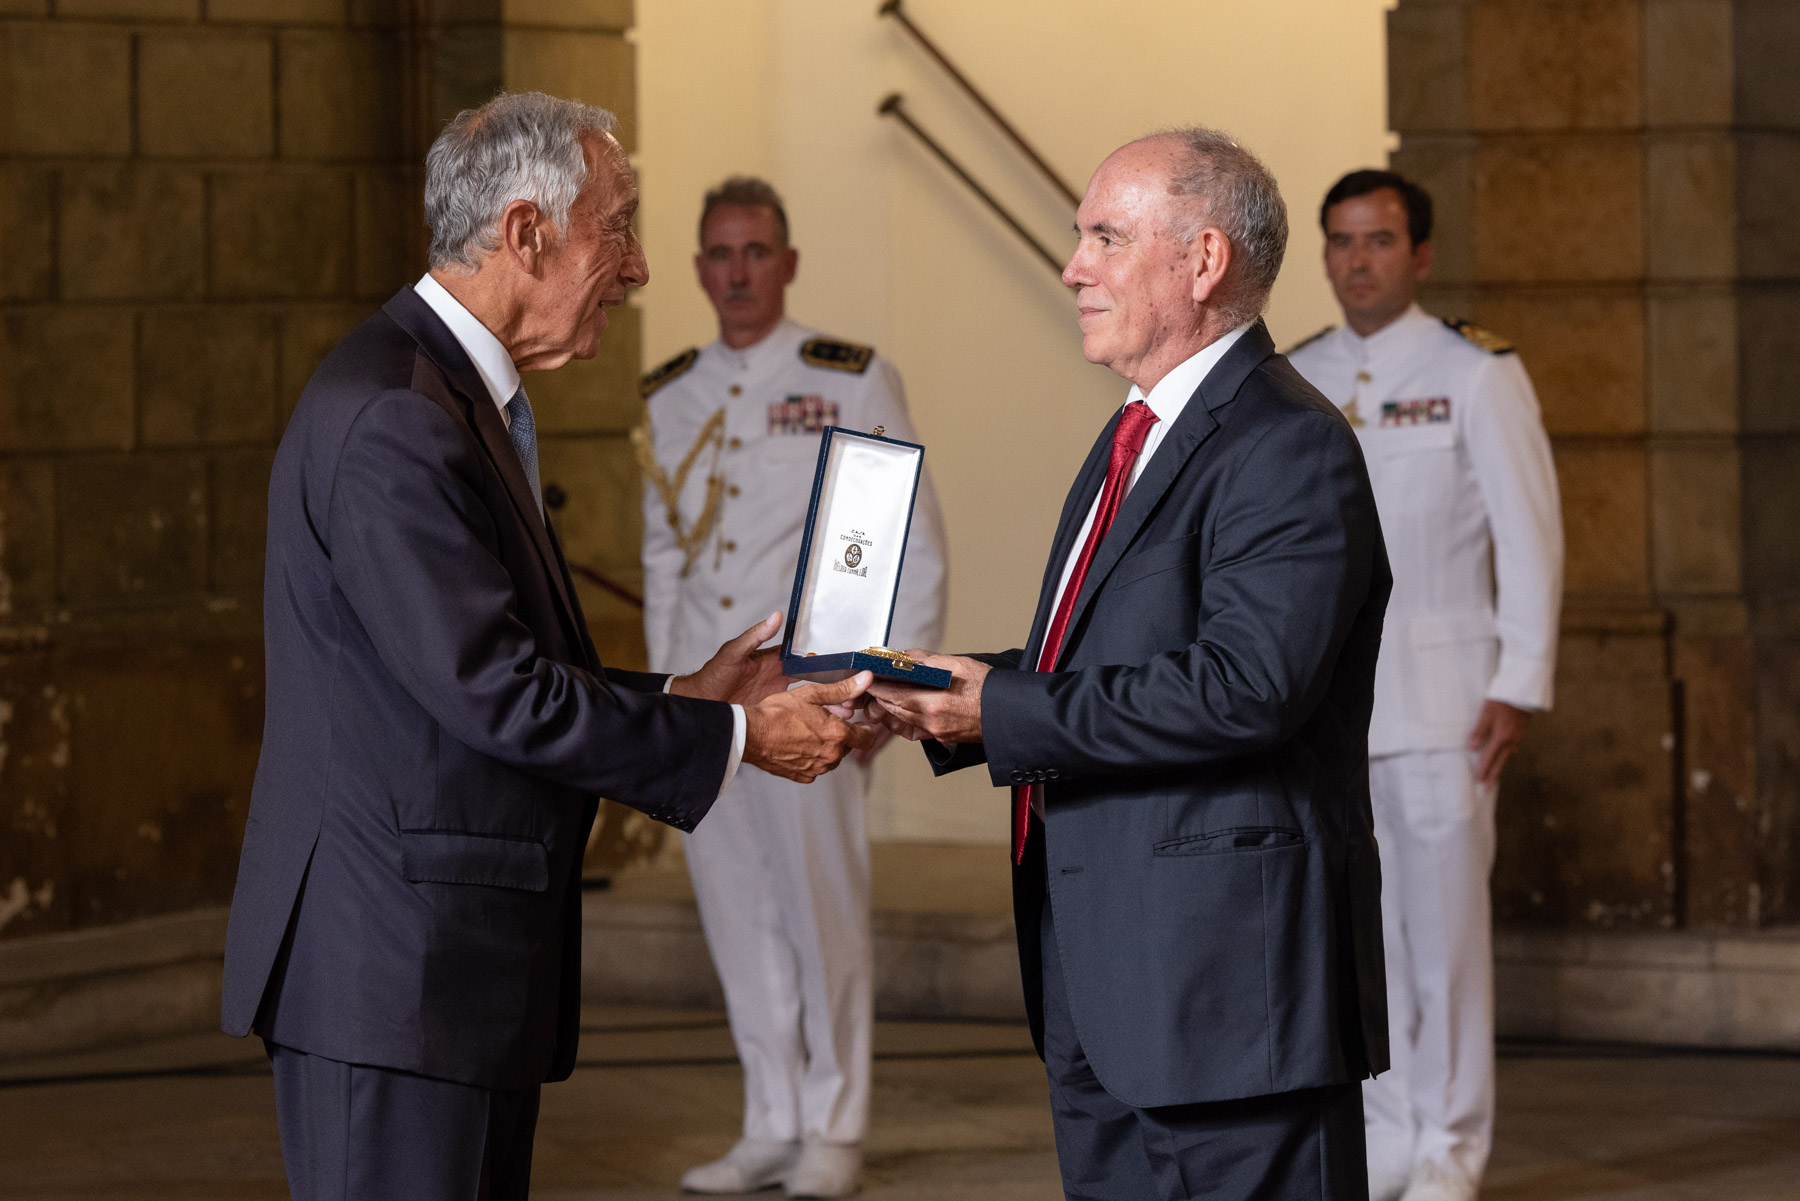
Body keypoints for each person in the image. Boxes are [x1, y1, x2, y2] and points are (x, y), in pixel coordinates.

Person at [219, 93, 875, 1201]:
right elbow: (498, 691)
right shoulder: (398, 415)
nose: (638, 267)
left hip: (438, 969)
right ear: (527, 233)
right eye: (616, 228)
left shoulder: (442, 392)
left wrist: (686, 692)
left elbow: (482, 666)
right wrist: (734, 736)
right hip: (394, 974)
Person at [865, 129, 1391, 1201]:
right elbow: (1110, 657)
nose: (1074, 267)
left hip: (1224, 991)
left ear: (1203, 262)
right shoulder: (1139, 432)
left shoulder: (1286, 442)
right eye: (1081, 238)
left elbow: (1244, 689)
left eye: (1106, 237)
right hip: (1110, 977)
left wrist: (1001, 711)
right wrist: (934, 687)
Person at [638, 176, 948, 1199]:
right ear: (698, 269)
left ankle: (835, 1128)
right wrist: (667, 707)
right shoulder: (670, 392)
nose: (737, 272)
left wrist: (885, 693)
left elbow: (911, 543)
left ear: (788, 262)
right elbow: (663, 560)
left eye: (756, 251)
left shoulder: (848, 376)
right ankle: (769, 1118)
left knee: (823, 917)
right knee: (738, 916)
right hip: (708, 709)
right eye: (720, 254)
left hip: (814, 697)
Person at [1285, 169, 1563, 1201]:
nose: (1357, 260)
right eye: (1341, 241)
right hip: (1329, 710)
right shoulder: (1298, 374)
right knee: (1360, 940)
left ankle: (1451, 1145)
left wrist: (1518, 682)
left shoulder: (1475, 372)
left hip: (1448, 706)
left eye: (1380, 240)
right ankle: (1388, 1131)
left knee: (1445, 944)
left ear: (1421, 255)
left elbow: (1530, 536)